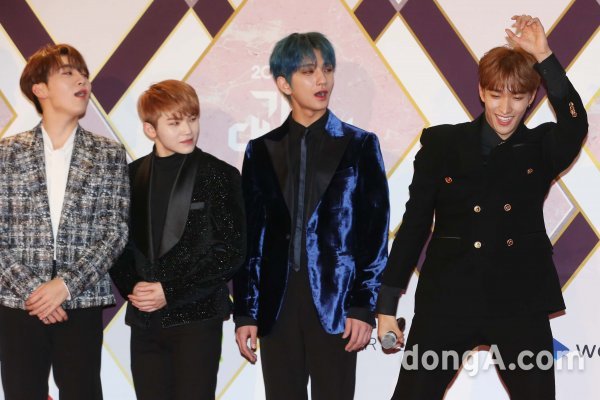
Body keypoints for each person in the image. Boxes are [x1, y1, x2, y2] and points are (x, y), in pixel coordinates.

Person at [376, 15, 588, 399]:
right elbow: (415, 224)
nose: (505, 108)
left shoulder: (541, 147)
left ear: (532, 98)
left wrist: (544, 56)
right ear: (481, 92)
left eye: (517, 97)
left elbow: (575, 125)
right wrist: (386, 304)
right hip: (448, 298)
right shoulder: (442, 144)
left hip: (519, 300)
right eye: (495, 95)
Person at [233, 32, 390, 400]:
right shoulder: (260, 150)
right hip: (277, 305)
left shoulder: (360, 145)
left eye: (327, 69)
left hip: (338, 305)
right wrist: (246, 312)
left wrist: (363, 305)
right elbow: (250, 238)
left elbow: (374, 233)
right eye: (308, 71)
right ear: (284, 83)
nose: (322, 80)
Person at [0, 44, 129, 399]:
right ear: (39, 89)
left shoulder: (108, 153)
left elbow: (115, 232)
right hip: (18, 301)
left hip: (81, 299)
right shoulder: (6, 153)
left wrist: (65, 286)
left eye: (84, 74)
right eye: (68, 73)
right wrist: (33, 290)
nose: (82, 80)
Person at [110, 79, 246, 400]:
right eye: (174, 123)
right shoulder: (130, 176)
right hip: (145, 321)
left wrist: (170, 291)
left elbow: (231, 252)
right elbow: (117, 243)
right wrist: (134, 287)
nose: (188, 130)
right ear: (150, 129)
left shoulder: (219, 175)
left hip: (196, 318)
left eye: (192, 119)